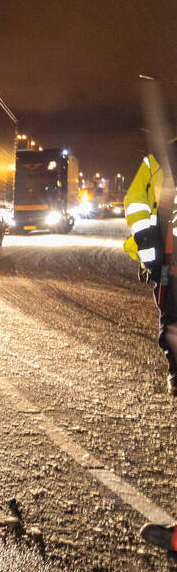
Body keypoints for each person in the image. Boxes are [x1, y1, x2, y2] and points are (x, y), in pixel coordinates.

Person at [122, 151, 177, 394]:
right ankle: (175, 368)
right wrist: (147, 243)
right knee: (170, 308)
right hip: (168, 260)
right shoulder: (155, 161)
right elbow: (136, 203)